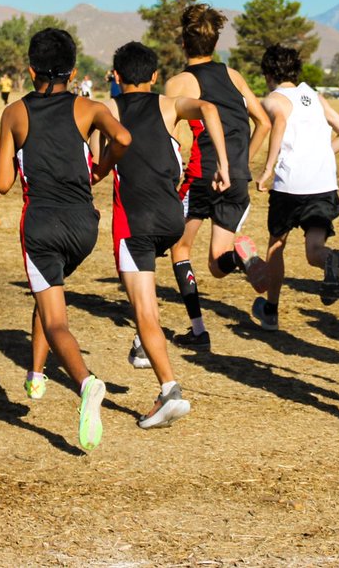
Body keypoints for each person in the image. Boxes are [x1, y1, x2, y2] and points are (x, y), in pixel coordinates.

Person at [0, 28, 130, 451]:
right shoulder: (89, 107)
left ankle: (86, 384)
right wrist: (102, 167)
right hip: (84, 226)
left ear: (30, 69)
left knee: (56, 321)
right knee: (47, 288)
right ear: (73, 71)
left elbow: (2, 181)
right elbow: (123, 138)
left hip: (41, 224)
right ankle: (36, 375)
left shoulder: (14, 113)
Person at [104, 41, 229, 428]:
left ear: (116, 77)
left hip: (135, 222)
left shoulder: (110, 108)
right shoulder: (168, 104)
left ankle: (169, 390)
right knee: (146, 297)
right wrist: (222, 164)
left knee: (143, 308)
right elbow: (208, 108)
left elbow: (98, 157)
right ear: (156, 76)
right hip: (173, 217)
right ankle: (144, 340)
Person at [164, 4, 271, 351]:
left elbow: (167, 134)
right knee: (216, 263)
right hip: (236, 176)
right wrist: (240, 164)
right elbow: (265, 123)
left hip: (202, 175)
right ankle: (240, 256)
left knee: (179, 248)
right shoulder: (234, 75)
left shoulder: (179, 82)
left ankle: (198, 330)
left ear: (183, 41)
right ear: (215, 41)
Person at [254, 45, 339, 330]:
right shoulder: (315, 96)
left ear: (268, 74)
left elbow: (281, 123)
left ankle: (271, 311)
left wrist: (268, 168)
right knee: (314, 251)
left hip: (290, 187)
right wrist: (321, 156)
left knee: (276, 245)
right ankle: (330, 260)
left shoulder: (274, 98)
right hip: (323, 185)